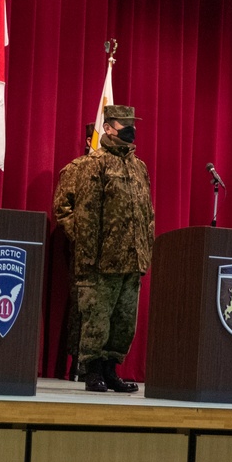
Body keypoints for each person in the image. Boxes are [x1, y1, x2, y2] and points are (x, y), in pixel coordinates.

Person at [72, 105, 154, 393]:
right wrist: (87, 259)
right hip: (102, 260)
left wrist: (146, 252)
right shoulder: (94, 164)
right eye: (124, 124)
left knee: (123, 323)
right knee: (97, 319)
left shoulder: (139, 166)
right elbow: (85, 215)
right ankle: (92, 370)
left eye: (133, 124)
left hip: (132, 260)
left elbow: (148, 215)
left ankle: (110, 370)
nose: (131, 130)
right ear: (108, 128)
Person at [52, 122, 95, 380]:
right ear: (89, 141)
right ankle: (78, 364)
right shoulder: (75, 170)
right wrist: (82, 238)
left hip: (114, 252)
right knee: (83, 307)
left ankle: (101, 366)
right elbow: (62, 209)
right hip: (84, 252)